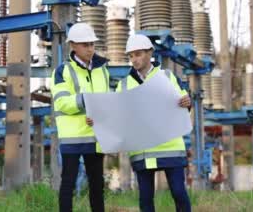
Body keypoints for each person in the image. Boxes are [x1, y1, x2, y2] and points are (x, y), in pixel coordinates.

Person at [116, 34, 192, 212]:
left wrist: (186, 103)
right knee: (146, 198)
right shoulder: (124, 85)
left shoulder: (167, 76)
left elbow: (182, 103)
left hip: (170, 146)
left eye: (139, 54)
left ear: (150, 52)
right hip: (142, 150)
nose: (135, 59)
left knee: (179, 193)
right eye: (131, 55)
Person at [50, 23, 110, 212]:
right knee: (68, 182)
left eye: (92, 44)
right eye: (85, 45)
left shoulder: (103, 70)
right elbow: (61, 103)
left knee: (97, 185)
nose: (90, 49)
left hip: (97, 136)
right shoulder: (62, 71)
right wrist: (86, 100)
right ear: (73, 45)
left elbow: (108, 100)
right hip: (73, 137)